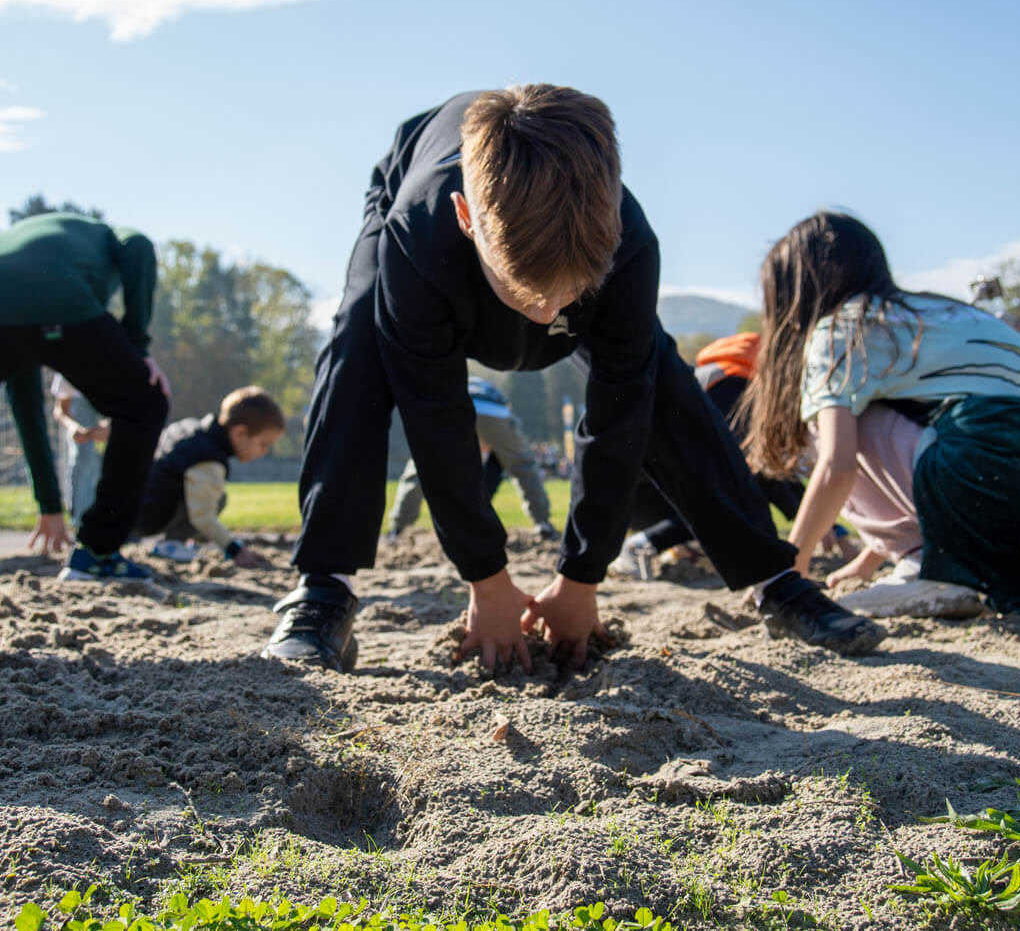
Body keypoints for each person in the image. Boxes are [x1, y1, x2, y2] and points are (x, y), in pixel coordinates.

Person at [266, 85, 884, 674]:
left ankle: (774, 578)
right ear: (466, 217)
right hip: (417, 207)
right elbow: (437, 416)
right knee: (357, 341)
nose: (546, 316)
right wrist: (486, 577)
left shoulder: (630, 241)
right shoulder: (418, 232)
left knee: (660, 379)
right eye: (525, 294)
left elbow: (621, 411)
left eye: (569, 296)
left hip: (551, 251)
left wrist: (581, 577)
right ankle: (324, 587)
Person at [741, 211, 1020, 619]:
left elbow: (837, 468)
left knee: (827, 424)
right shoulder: (944, 311)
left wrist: (786, 575)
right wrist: (868, 561)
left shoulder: (844, 325)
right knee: (887, 412)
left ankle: (929, 566)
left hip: (994, 470)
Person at [0, 212, 170, 583]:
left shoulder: (37, 247)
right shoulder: (107, 236)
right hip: (53, 295)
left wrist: (50, 505)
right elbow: (138, 245)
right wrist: (137, 345)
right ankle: (96, 552)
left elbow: (27, 407)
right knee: (144, 404)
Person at [609, 331, 857, 579]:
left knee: (737, 492)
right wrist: (816, 526)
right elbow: (756, 468)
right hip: (645, 495)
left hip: (640, 493)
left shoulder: (721, 376)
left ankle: (685, 548)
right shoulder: (733, 389)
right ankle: (643, 545)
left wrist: (828, 526)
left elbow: (772, 470)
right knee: (738, 495)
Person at [387, 376, 558, 542]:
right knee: (523, 466)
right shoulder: (492, 391)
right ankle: (543, 523)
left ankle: (398, 527)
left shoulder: (454, 381)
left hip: (454, 410)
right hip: (495, 413)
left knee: (422, 463)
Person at [135, 386, 283, 568]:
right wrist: (235, 550)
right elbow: (203, 517)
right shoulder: (209, 459)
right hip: (148, 518)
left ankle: (173, 541)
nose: (264, 451)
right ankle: (172, 544)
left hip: (134, 505)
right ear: (240, 433)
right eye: (263, 444)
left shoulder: (191, 427)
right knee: (218, 499)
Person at [51, 372, 108, 528]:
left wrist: (110, 426)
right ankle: (81, 519)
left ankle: (118, 520)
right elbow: (60, 410)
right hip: (81, 423)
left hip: (108, 421)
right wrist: (74, 427)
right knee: (84, 459)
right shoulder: (69, 368)